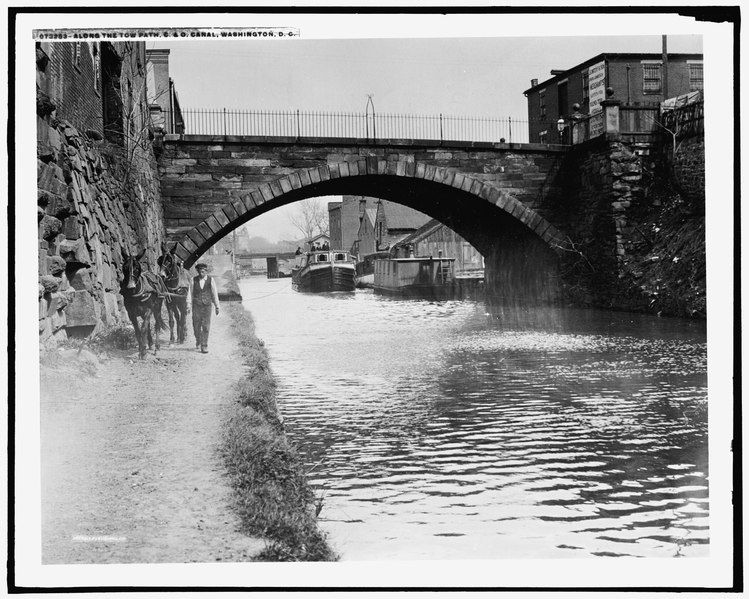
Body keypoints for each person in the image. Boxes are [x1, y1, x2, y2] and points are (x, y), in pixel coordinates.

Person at [186, 262, 220, 353]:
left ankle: (204, 345)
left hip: (207, 306)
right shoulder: (193, 280)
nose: (202, 273)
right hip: (196, 306)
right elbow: (190, 293)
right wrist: (188, 305)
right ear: (197, 271)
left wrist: (217, 306)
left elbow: (214, 293)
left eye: (203, 271)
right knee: (196, 326)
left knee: (206, 326)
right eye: (200, 271)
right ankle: (198, 339)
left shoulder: (210, 280)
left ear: (206, 271)